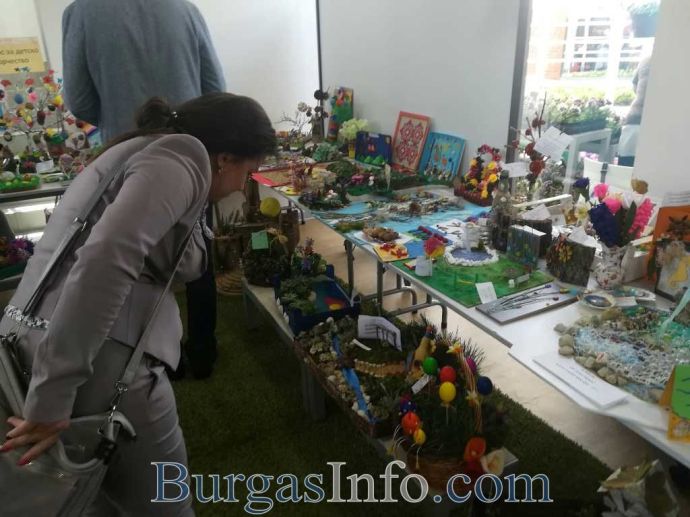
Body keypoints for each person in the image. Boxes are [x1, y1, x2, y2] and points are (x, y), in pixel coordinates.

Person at [0, 93, 276, 515]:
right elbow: (105, 260)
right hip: (98, 362)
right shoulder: (181, 158)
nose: (243, 185)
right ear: (224, 158)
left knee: (96, 498)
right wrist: (53, 393)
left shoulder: (138, 149)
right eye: (248, 172)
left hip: (32, 342)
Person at [62, 0, 228, 379]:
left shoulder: (80, 12)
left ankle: (150, 356)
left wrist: (121, 112)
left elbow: (80, 101)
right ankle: (203, 350)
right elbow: (215, 89)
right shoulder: (185, 9)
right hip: (191, 152)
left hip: (127, 154)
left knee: (134, 258)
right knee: (195, 249)